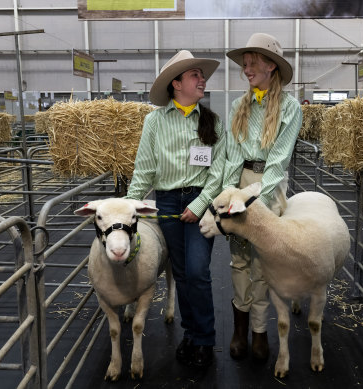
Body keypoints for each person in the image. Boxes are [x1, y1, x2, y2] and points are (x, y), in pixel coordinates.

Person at [126, 50, 225, 368]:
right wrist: (128, 207)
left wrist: (199, 205)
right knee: (182, 274)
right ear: (176, 84)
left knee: (198, 272)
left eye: (201, 75)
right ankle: (191, 334)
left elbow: (219, 172)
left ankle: (206, 339)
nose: (202, 79)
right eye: (195, 75)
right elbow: (144, 169)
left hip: (200, 201)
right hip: (167, 203)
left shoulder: (212, 121)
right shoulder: (153, 122)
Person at [222, 33, 302, 360]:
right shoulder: (236, 106)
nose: (246, 68)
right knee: (239, 257)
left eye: (252, 62)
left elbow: (279, 161)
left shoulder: (290, 108)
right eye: (245, 64)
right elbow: (231, 155)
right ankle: (240, 329)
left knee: (263, 260)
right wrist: (230, 195)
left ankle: (259, 331)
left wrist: (252, 201)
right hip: (241, 179)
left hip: (268, 186)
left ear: (271, 66)